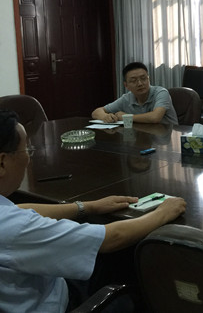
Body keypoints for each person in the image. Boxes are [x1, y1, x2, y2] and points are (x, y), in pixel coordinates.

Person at [0, 109, 186, 312]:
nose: (29, 157)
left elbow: (20, 209)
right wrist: (163, 212)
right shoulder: (14, 228)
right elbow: (112, 238)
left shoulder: (9, 218)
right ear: (2, 162)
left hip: (37, 287)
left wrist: (88, 206)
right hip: (56, 302)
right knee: (131, 271)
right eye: (27, 150)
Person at [92, 62, 178, 125]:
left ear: (149, 79)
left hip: (169, 137)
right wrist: (105, 117)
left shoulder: (161, 92)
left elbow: (155, 117)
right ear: (126, 85)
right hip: (143, 137)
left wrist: (126, 117)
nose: (140, 83)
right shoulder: (126, 98)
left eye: (143, 78)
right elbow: (96, 112)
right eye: (133, 80)